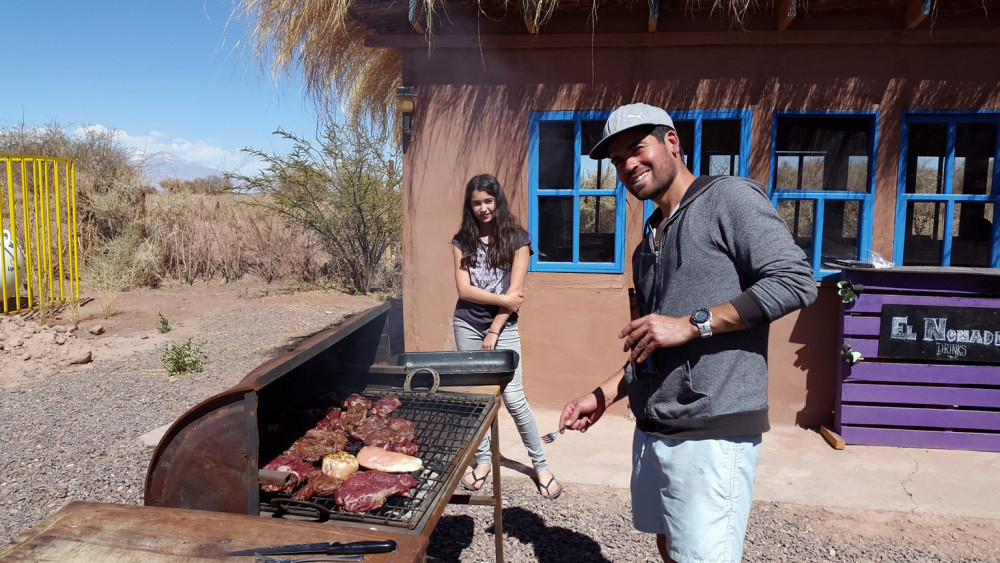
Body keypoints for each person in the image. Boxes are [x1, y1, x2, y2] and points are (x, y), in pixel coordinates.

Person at [559, 103, 817, 562]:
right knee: (669, 549)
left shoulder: (729, 199)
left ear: (671, 143)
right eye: (617, 161)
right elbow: (653, 346)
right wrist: (601, 396)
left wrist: (692, 324)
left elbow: (796, 281)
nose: (628, 166)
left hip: (712, 432)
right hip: (656, 428)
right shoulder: (649, 239)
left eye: (637, 150)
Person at [452, 173, 562, 500]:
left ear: (497, 201)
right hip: (466, 324)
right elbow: (463, 290)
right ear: (469, 207)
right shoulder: (462, 241)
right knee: (478, 398)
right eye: (476, 203)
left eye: (488, 201)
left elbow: (517, 293)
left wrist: (495, 328)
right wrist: (502, 301)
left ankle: (540, 465)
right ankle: (484, 460)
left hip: (503, 328)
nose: (483, 208)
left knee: (513, 398)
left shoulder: (517, 239)